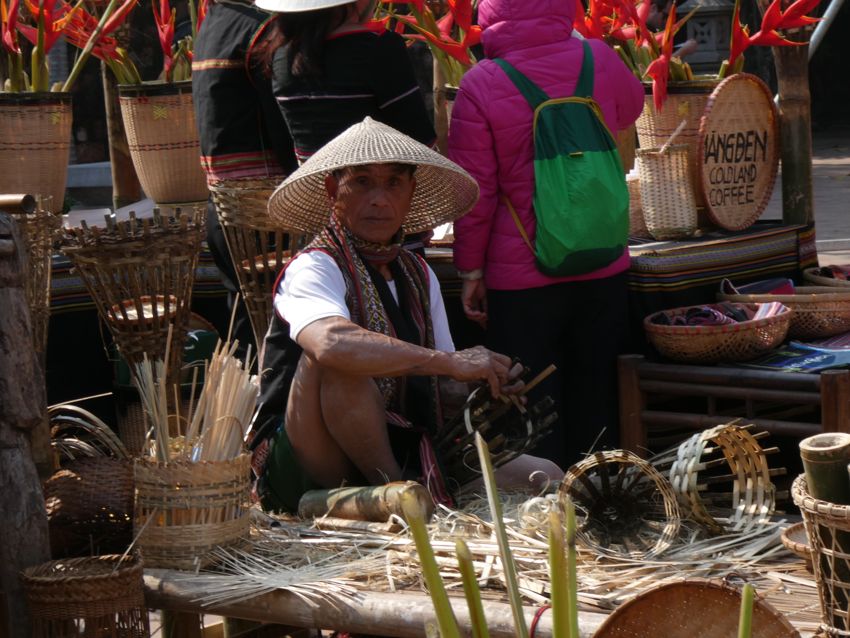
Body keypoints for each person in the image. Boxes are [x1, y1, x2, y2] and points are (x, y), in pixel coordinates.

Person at [251, 117, 562, 513]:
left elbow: (443, 387)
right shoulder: (315, 266)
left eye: (394, 183)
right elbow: (329, 343)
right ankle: (398, 495)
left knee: (546, 475)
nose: (380, 199)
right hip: (307, 459)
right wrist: (449, 363)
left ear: (410, 192)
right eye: (362, 182)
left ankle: (409, 495)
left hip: (406, 441)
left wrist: (482, 383)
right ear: (333, 190)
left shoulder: (418, 274)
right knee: (339, 361)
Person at [447, 0, 644, 469]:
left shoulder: (481, 83)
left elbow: (475, 194)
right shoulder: (598, 57)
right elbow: (631, 107)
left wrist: (470, 270)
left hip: (523, 280)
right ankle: (604, 499)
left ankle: (548, 516)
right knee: (597, 390)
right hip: (603, 262)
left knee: (534, 406)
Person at [192, 0, 298, 355]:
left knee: (245, 329)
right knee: (278, 332)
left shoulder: (213, 25)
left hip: (224, 209)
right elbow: (284, 129)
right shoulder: (262, 31)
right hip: (264, 214)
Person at [257, 0, 436, 164]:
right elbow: (419, 140)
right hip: (372, 191)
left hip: (310, 187)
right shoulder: (379, 48)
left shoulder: (281, 57)